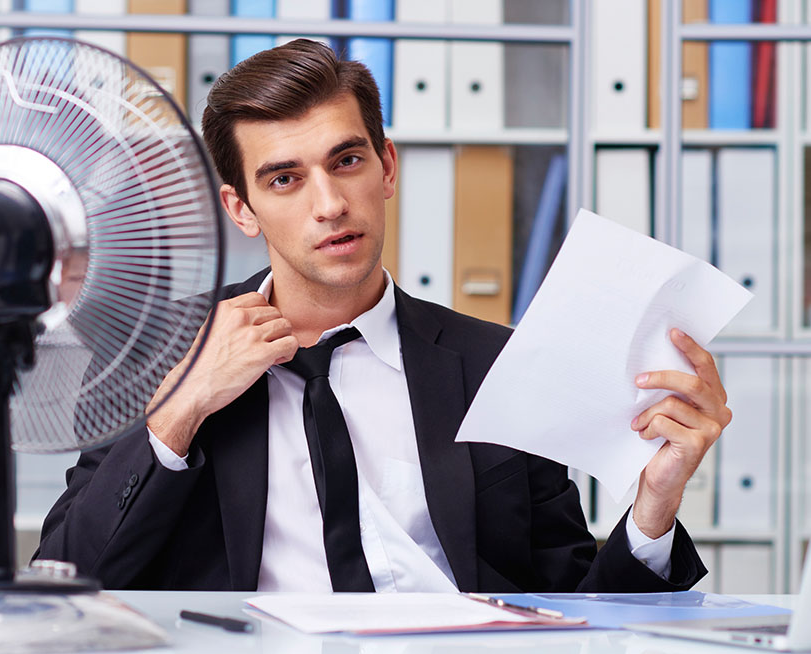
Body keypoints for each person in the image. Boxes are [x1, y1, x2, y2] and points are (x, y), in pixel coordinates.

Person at [36, 39, 730, 593]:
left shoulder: (492, 364)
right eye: (285, 178)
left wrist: (654, 505)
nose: (331, 203)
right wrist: (181, 408)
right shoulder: (160, 351)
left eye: (347, 160)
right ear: (240, 208)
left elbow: (571, 610)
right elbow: (69, 577)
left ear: (387, 167)